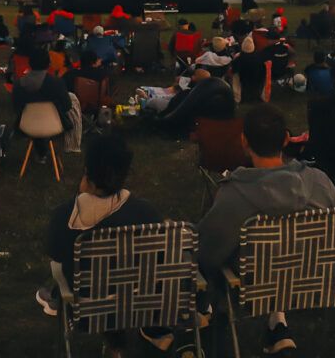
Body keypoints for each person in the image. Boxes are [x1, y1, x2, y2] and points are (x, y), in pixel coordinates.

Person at [198, 104, 335, 355]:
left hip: (256, 282)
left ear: (244, 141)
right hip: (315, 277)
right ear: (286, 139)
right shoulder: (320, 182)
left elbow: (206, 253)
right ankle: (277, 321)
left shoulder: (235, 195)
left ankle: (204, 311)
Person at [35, 133, 165, 356]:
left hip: (86, 311)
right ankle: (116, 341)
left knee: (58, 274)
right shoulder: (147, 215)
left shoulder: (65, 218)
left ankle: (56, 299)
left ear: (88, 171)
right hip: (139, 307)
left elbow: (56, 256)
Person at [14, 49, 81, 153]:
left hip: (26, 125)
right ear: (48, 63)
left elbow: (16, 107)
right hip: (54, 125)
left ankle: (40, 151)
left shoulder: (18, 84)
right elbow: (67, 106)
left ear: (30, 63)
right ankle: (70, 143)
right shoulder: (56, 83)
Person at [156, 69, 236, 133]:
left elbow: (174, 106)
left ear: (193, 78)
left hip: (174, 113)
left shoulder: (189, 95)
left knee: (153, 101)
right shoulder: (207, 96)